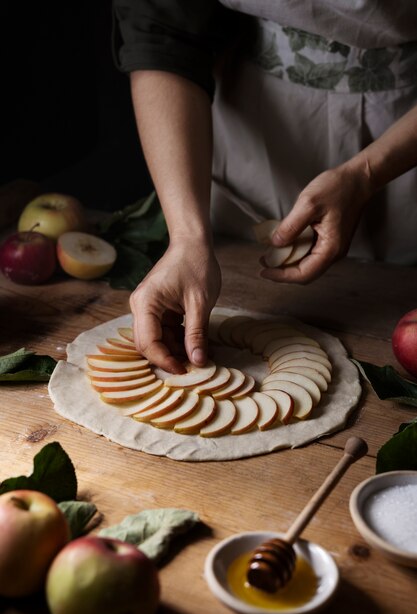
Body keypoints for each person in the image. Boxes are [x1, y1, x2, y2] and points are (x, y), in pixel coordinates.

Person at [112, 0, 417, 374]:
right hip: (251, 118)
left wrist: (367, 172)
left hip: (402, 132)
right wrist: (187, 238)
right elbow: (161, 29)